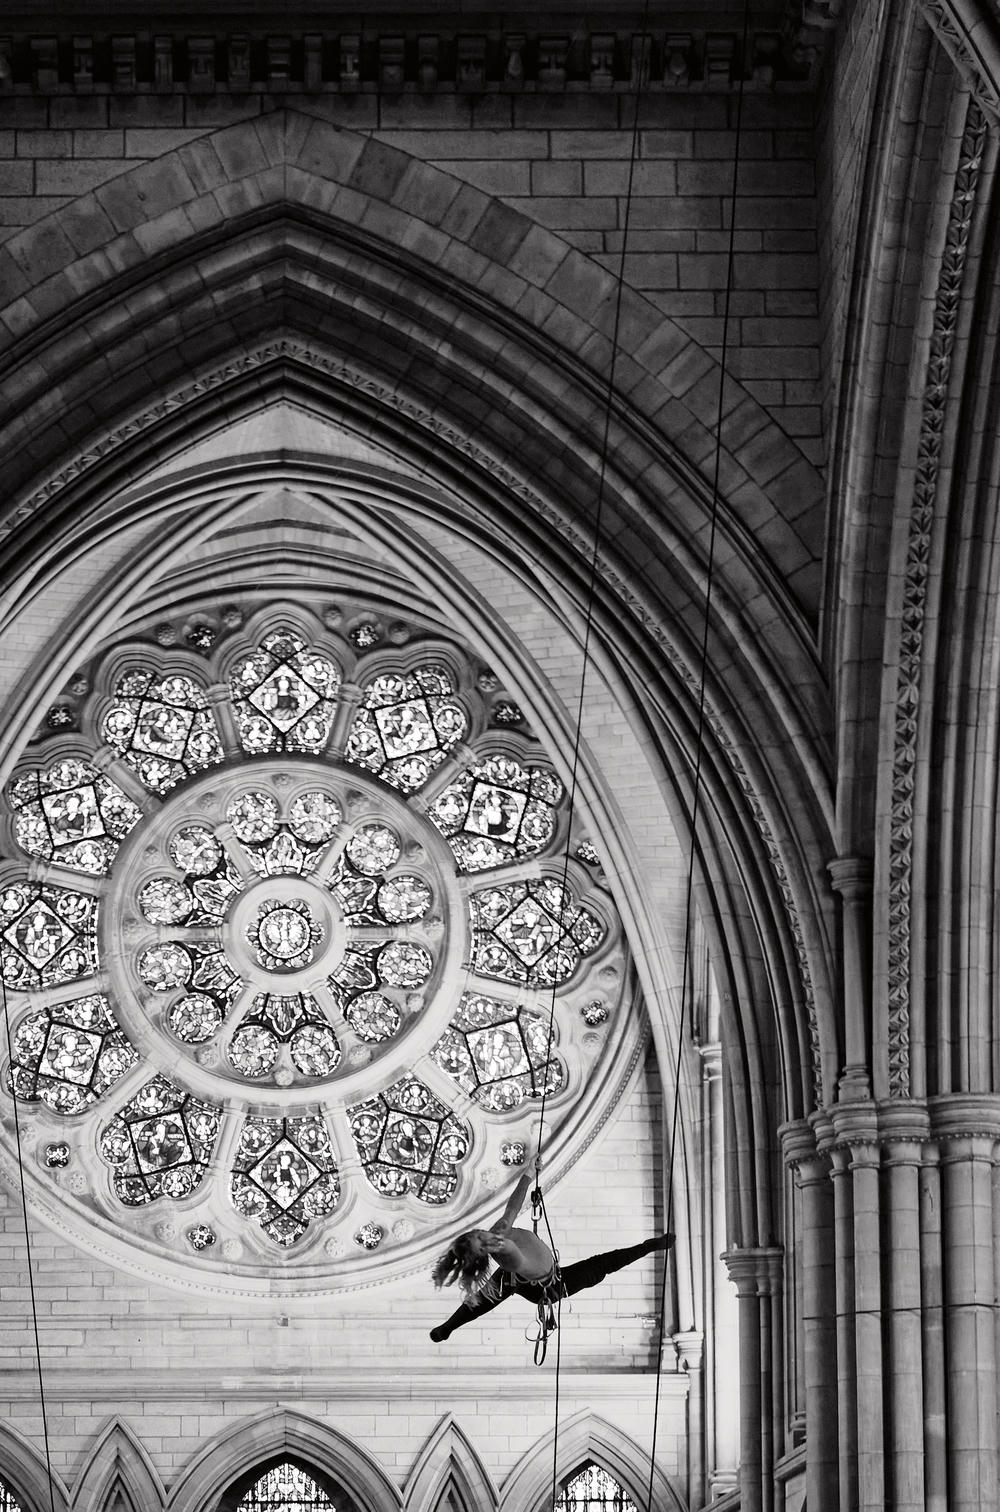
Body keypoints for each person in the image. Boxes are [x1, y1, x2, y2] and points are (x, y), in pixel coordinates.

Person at [429, 1170, 674, 1342]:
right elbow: (512, 1255)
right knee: (601, 1265)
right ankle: (649, 1246)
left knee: (488, 1294)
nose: (487, 1234)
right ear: (486, 1249)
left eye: (480, 1233)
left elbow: (512, 1207)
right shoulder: (508, 1257)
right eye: (483, 1239)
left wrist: (527, 1175)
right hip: (549, 1286)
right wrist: (495, 1248)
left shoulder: (499, 1230)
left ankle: (448, 1327)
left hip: (527, 1275)